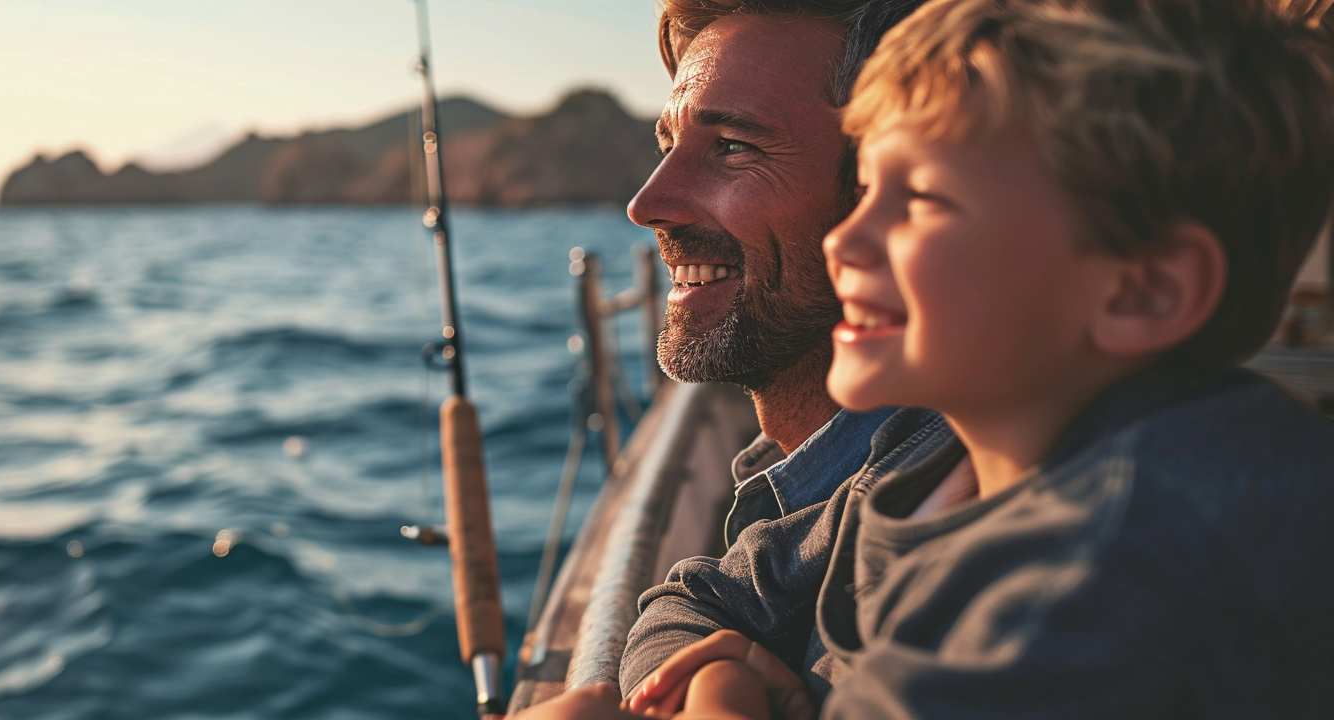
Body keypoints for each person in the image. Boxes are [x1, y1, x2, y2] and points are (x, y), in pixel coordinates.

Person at [622, 0, 1334, 716]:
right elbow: (707, 594)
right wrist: (729, 678)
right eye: (869, 187)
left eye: (923, 200)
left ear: (1143, 291)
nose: (847, 242)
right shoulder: (931, 466)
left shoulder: (1098, 584)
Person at [511, 1, 922, 717]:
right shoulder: (818, 497)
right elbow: (699, 597)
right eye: (666, 144)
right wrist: (707, 677)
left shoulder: (941, 497)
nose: (648, 204)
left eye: (733, 146)